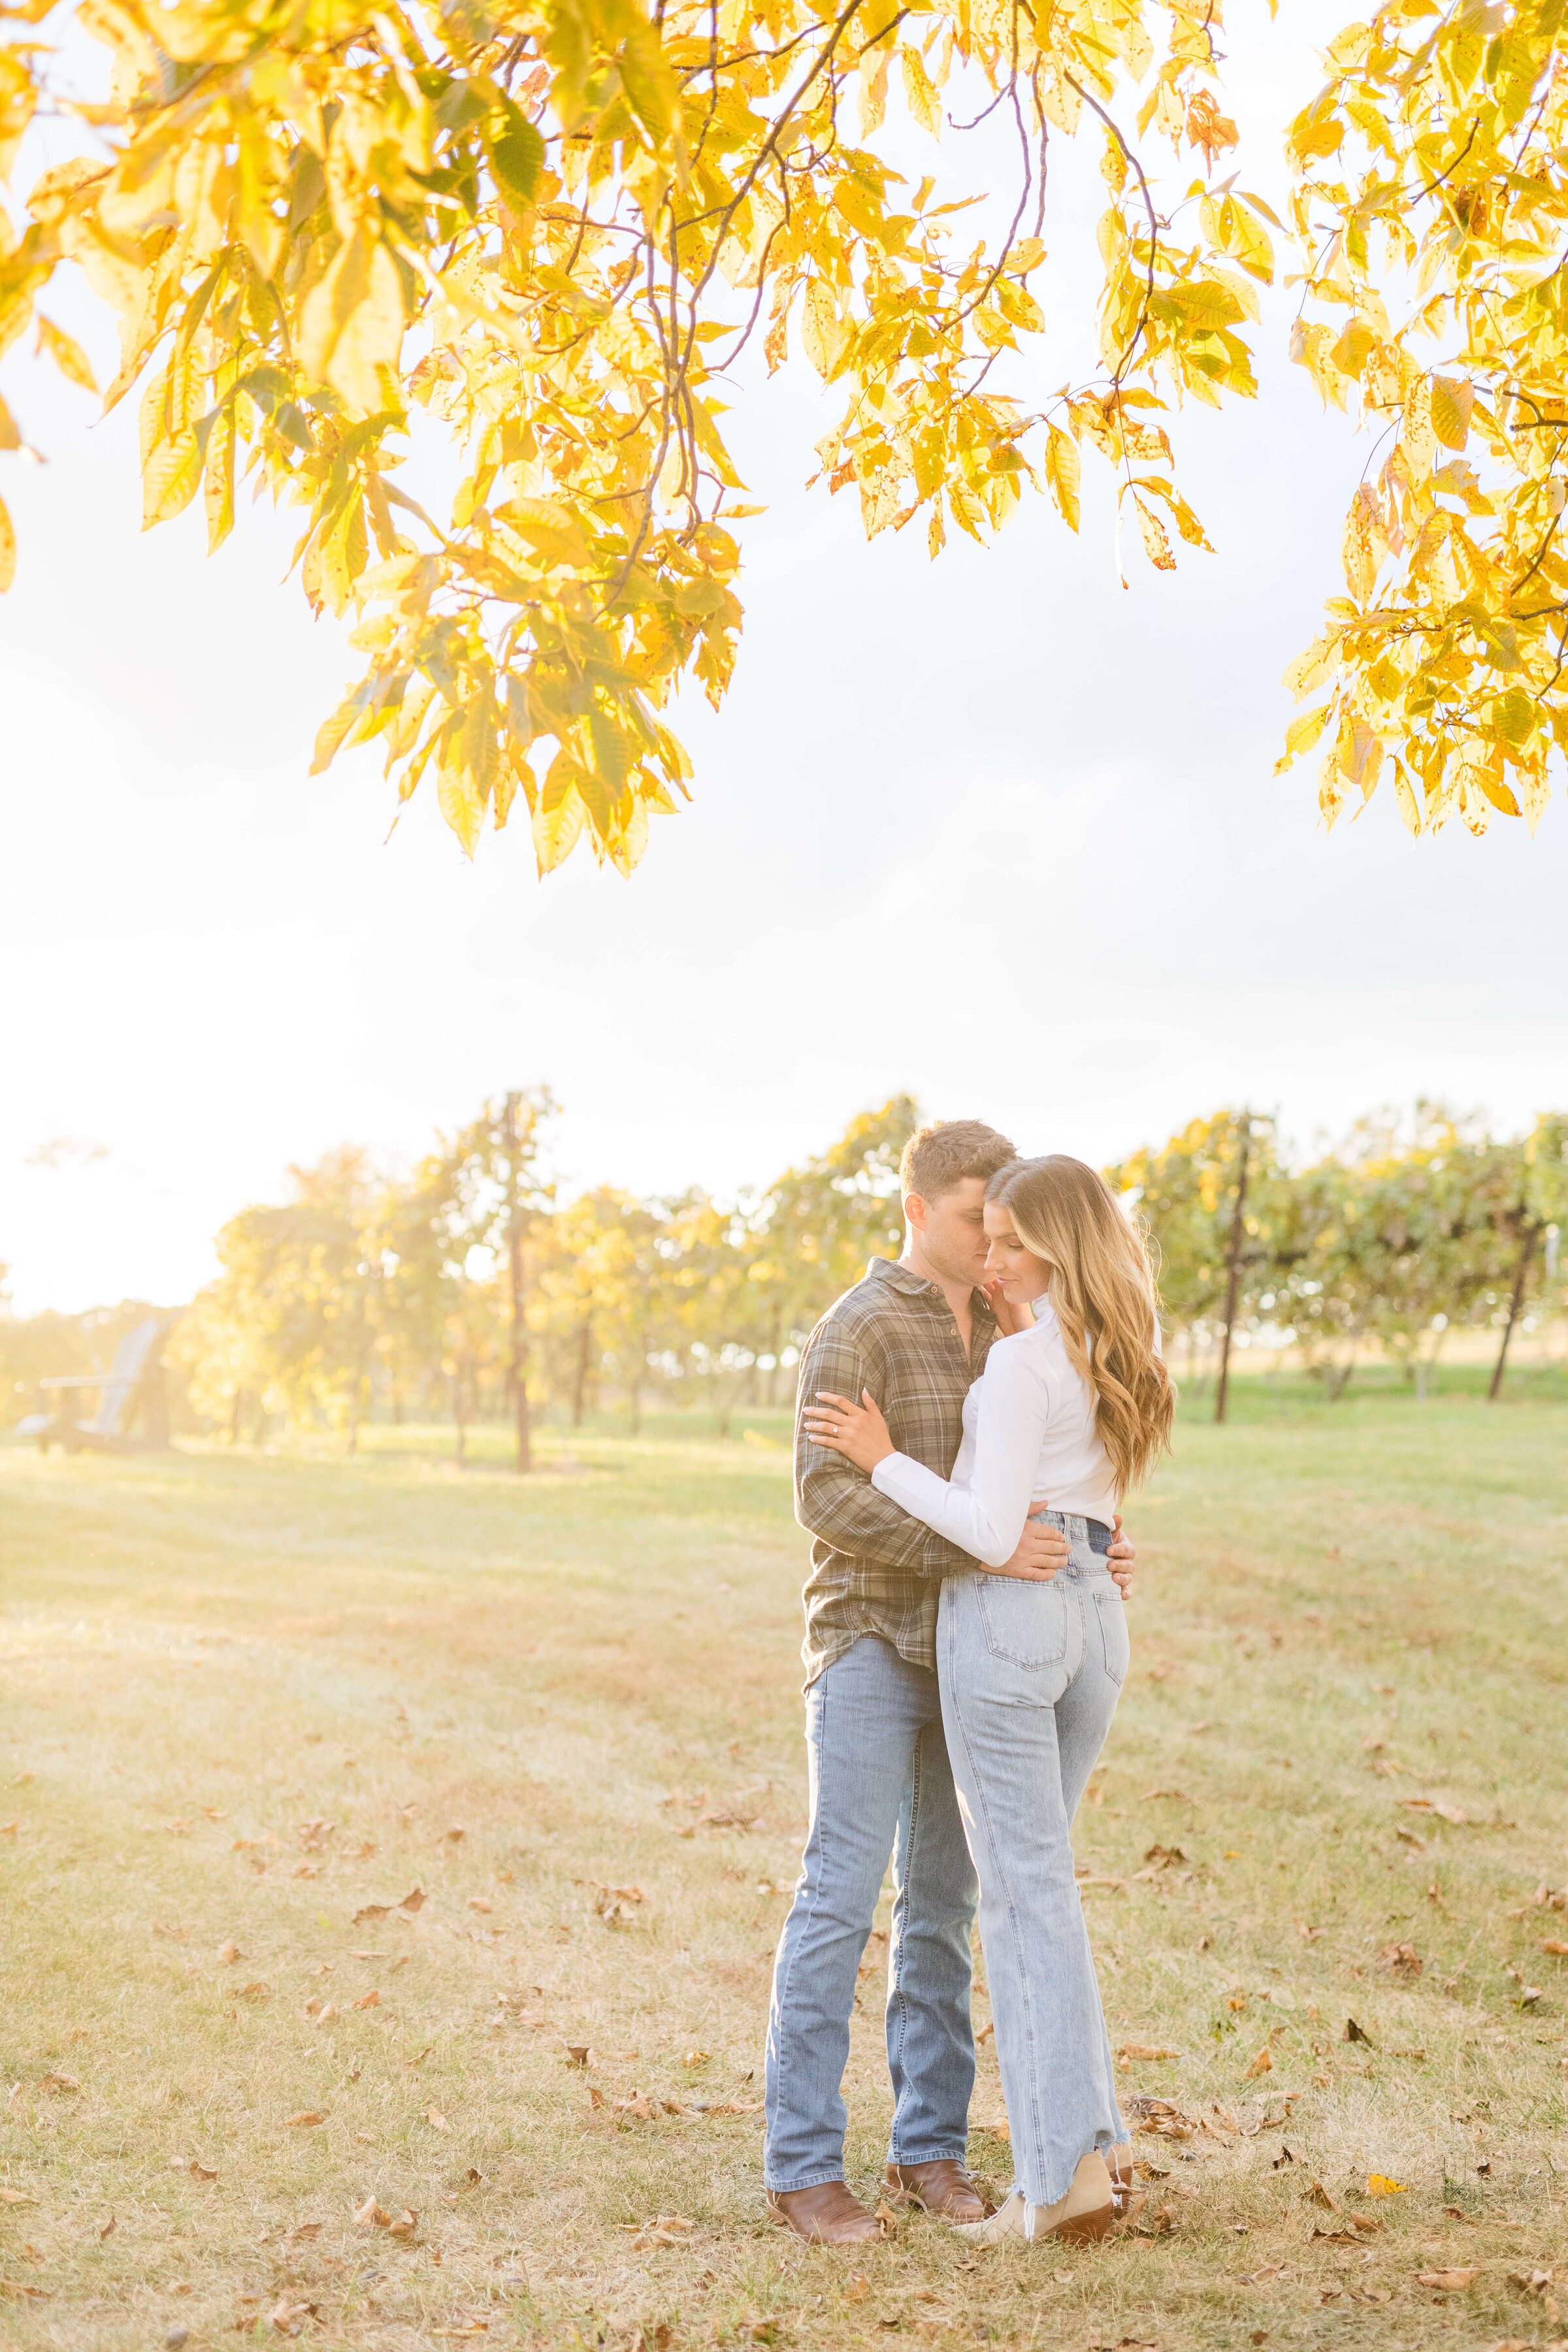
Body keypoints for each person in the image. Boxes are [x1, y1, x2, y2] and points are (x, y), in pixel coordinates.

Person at [764, 1122, 1138, 2247]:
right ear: (920, 1208)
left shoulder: (1019, 1325)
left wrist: (1090, 1542)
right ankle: (801, 2164)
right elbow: (823, 1498)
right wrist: (977, 1551)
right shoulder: (858, 1326)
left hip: (985, 1647)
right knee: (842, 1889)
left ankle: (930, 2147)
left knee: (945, 1905)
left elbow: (1043, 1471)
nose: (996, 1240)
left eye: (1009, 1223)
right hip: (877, 1637)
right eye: (982, 1216)